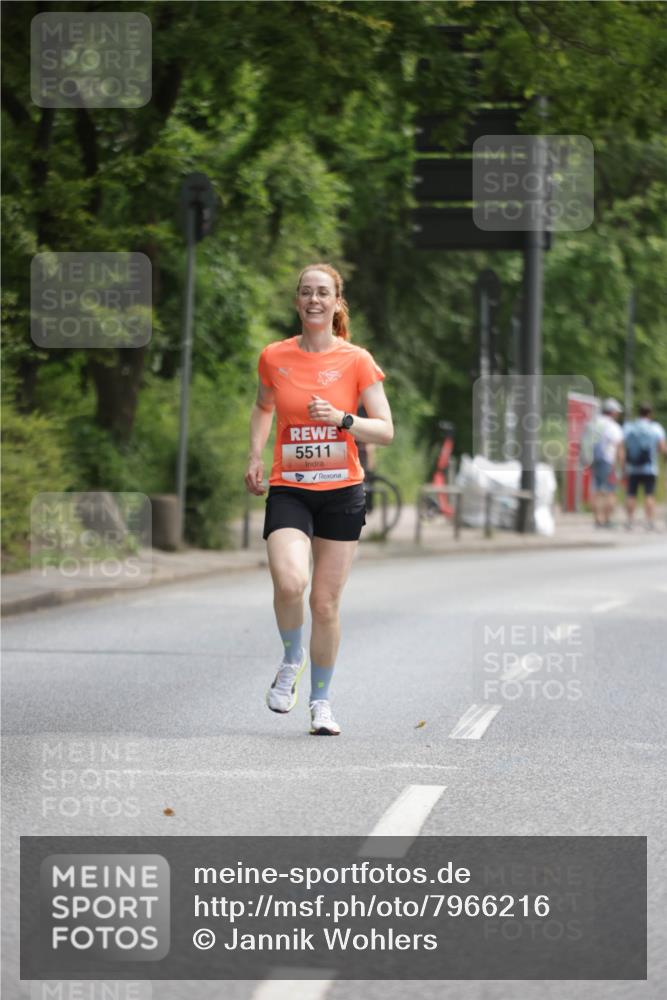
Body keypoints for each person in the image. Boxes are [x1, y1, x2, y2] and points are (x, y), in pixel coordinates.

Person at [244, 263, 393, 735]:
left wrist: (342, 419)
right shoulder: (274, 356)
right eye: (306, 292)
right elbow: (263, 406)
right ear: (297, 301)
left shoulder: (357, 360)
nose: (314, 300)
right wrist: (254, 455)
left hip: (341, 492)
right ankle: (292, 657)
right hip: (290, 487)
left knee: (325, 604)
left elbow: (385, 430)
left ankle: (321, 703)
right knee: (291, 583)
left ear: (336, 302)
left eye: (323, 293)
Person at [623, 402, 667, 530]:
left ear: (639, 413)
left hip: (632, 467)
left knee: (631, 494)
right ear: (650, 414)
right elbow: (663, 447)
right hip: (650, 468)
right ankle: (649, 522)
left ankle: (630, 521)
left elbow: (622, 444)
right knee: (649, 494)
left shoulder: (630, 427)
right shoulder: (656, 428)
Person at [582, 398, 624, 528]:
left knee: (596, 490)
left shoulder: (592, 423)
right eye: (617, 412)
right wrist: (621, 465)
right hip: (608, 462)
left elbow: (584, 442)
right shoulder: (613, 426)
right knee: (610, 491)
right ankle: (607, 520)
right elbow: (618, 447)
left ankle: (597, 520)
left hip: (594, 460)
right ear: (612, 412)